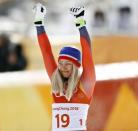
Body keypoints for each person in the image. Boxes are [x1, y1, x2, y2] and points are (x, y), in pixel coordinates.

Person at [33, 3, 96, 131]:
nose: (63, 67)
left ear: (76, 66)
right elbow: (46, 52)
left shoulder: (85, 85)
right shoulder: (56, 81)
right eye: (60, 63)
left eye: (68, 64)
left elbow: (87, 52)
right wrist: (39, 22)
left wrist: (80, 23)